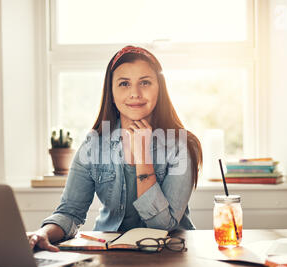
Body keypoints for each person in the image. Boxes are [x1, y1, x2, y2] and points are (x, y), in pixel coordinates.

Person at [27, 45, 203, 252]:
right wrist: (43, 233)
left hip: (169, 253)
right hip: (109, 252)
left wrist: (143, 157)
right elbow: (70, 213)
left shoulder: (180, 146)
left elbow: (163, 226)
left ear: (160, 88)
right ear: (111, 91)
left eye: (145, 82)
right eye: (124, 83)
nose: (135, 94)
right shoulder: (94, 146)